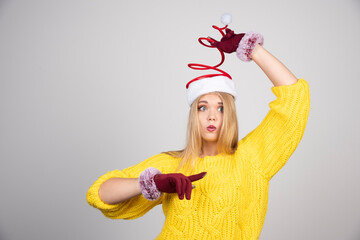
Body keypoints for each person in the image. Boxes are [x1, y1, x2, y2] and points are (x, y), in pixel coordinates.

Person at [86, 15, 310, 239]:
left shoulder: (253, 158)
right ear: (194, 115)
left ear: (229, 115)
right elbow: (99, 193)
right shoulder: (172, 164)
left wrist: (252, 49)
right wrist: (152, 182)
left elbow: (295, 100)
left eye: (221, 108)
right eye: (203, 108)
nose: (212, 116)